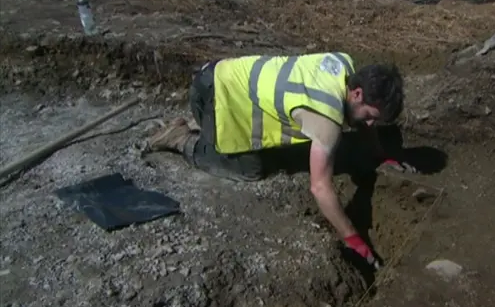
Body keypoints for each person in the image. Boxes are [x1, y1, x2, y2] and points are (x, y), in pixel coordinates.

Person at [147, 52, 416, 267]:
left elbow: (363, 124)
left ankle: (209, 130)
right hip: (213, 95)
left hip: (221, 73)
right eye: (370, 115)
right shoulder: (326, 119)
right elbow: (320, 187)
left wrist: (381, 154)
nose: (370, 124)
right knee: (251, 169)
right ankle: (181, 138)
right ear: (357, 93)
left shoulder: (343, 64)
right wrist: (352, 237)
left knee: (290, 150)